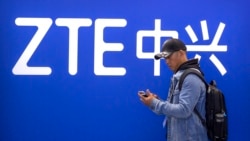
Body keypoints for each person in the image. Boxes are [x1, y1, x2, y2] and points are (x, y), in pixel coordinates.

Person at [138, 38, 208, 141]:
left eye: (169, 57)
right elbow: (174, 110)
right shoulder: (181, 76)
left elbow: (184, 110)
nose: (166, 61)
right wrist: (155, 101)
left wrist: (155, 103)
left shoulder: (190, 78)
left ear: (181, 53)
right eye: (165, 58)